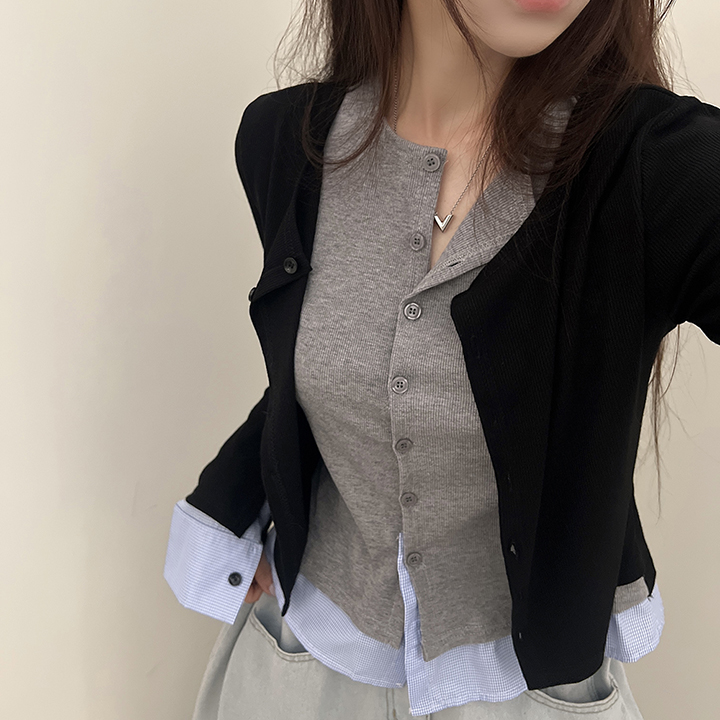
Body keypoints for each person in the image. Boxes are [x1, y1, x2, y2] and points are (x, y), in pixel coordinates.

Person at [163, 0, 720, 718]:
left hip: (522, 690)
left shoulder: (654, 165)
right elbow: (313, 374)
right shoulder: (286, 141)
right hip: (297, 665)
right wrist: (232, 502)